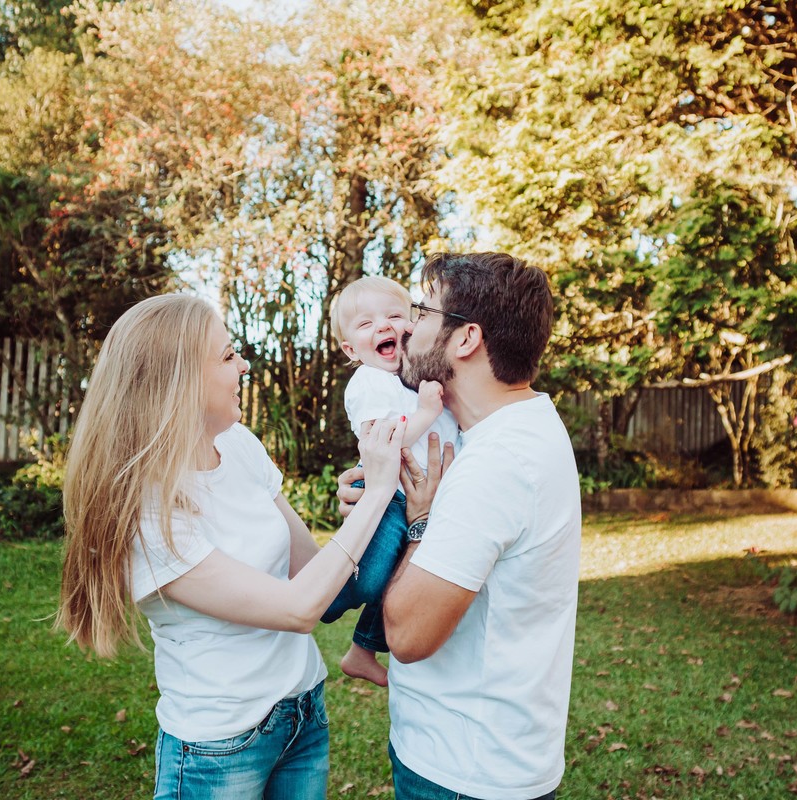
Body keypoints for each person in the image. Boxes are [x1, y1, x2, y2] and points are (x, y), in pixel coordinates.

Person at [55, 294, 409, 800]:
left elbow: (318, 577)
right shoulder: (146, 511)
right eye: (226, 356)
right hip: (220, 745)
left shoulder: (239, 444)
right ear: (177, 381)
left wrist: (382, 513)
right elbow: (298, 608)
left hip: (302, 712)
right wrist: (377, 493)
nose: (243, 364)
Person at [339, 252, 582, 800]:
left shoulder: (494, 465)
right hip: (490, 749)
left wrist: (418, 519)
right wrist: (378, 497)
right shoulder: (521, 428)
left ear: (465, 339)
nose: (406, 328)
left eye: (421, 313)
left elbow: (408, 636)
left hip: (464, 768)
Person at [322, 276, 461, 686]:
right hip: (386, 498)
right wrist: (426, 413)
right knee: (373, 580)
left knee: (402, 579)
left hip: (413, 500)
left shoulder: (414, 380)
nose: (382, 327)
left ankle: (361, 650)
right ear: (351, 349)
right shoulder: (369, 381)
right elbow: (381, 443)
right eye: (365, 325)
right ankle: (317, 601)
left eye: (394, 316)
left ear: (413, 326)